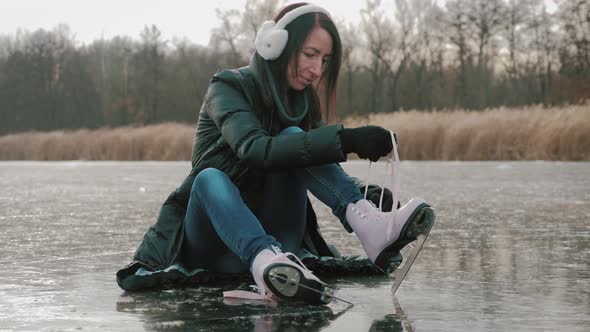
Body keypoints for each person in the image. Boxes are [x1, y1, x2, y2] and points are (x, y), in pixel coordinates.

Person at [117, 2, 431, 305]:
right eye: (310, 54)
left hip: (282, 237)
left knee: (296, 137)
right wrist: (346, 140)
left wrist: (370, 196)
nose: (316, 69)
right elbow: (255, 150)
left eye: (324, 59)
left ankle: (369, 224)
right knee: (208, 178)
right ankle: (265, 263)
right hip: (217, 242)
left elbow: (316, 161)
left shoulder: (304, 101)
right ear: (276, 45)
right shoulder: (227, 87)